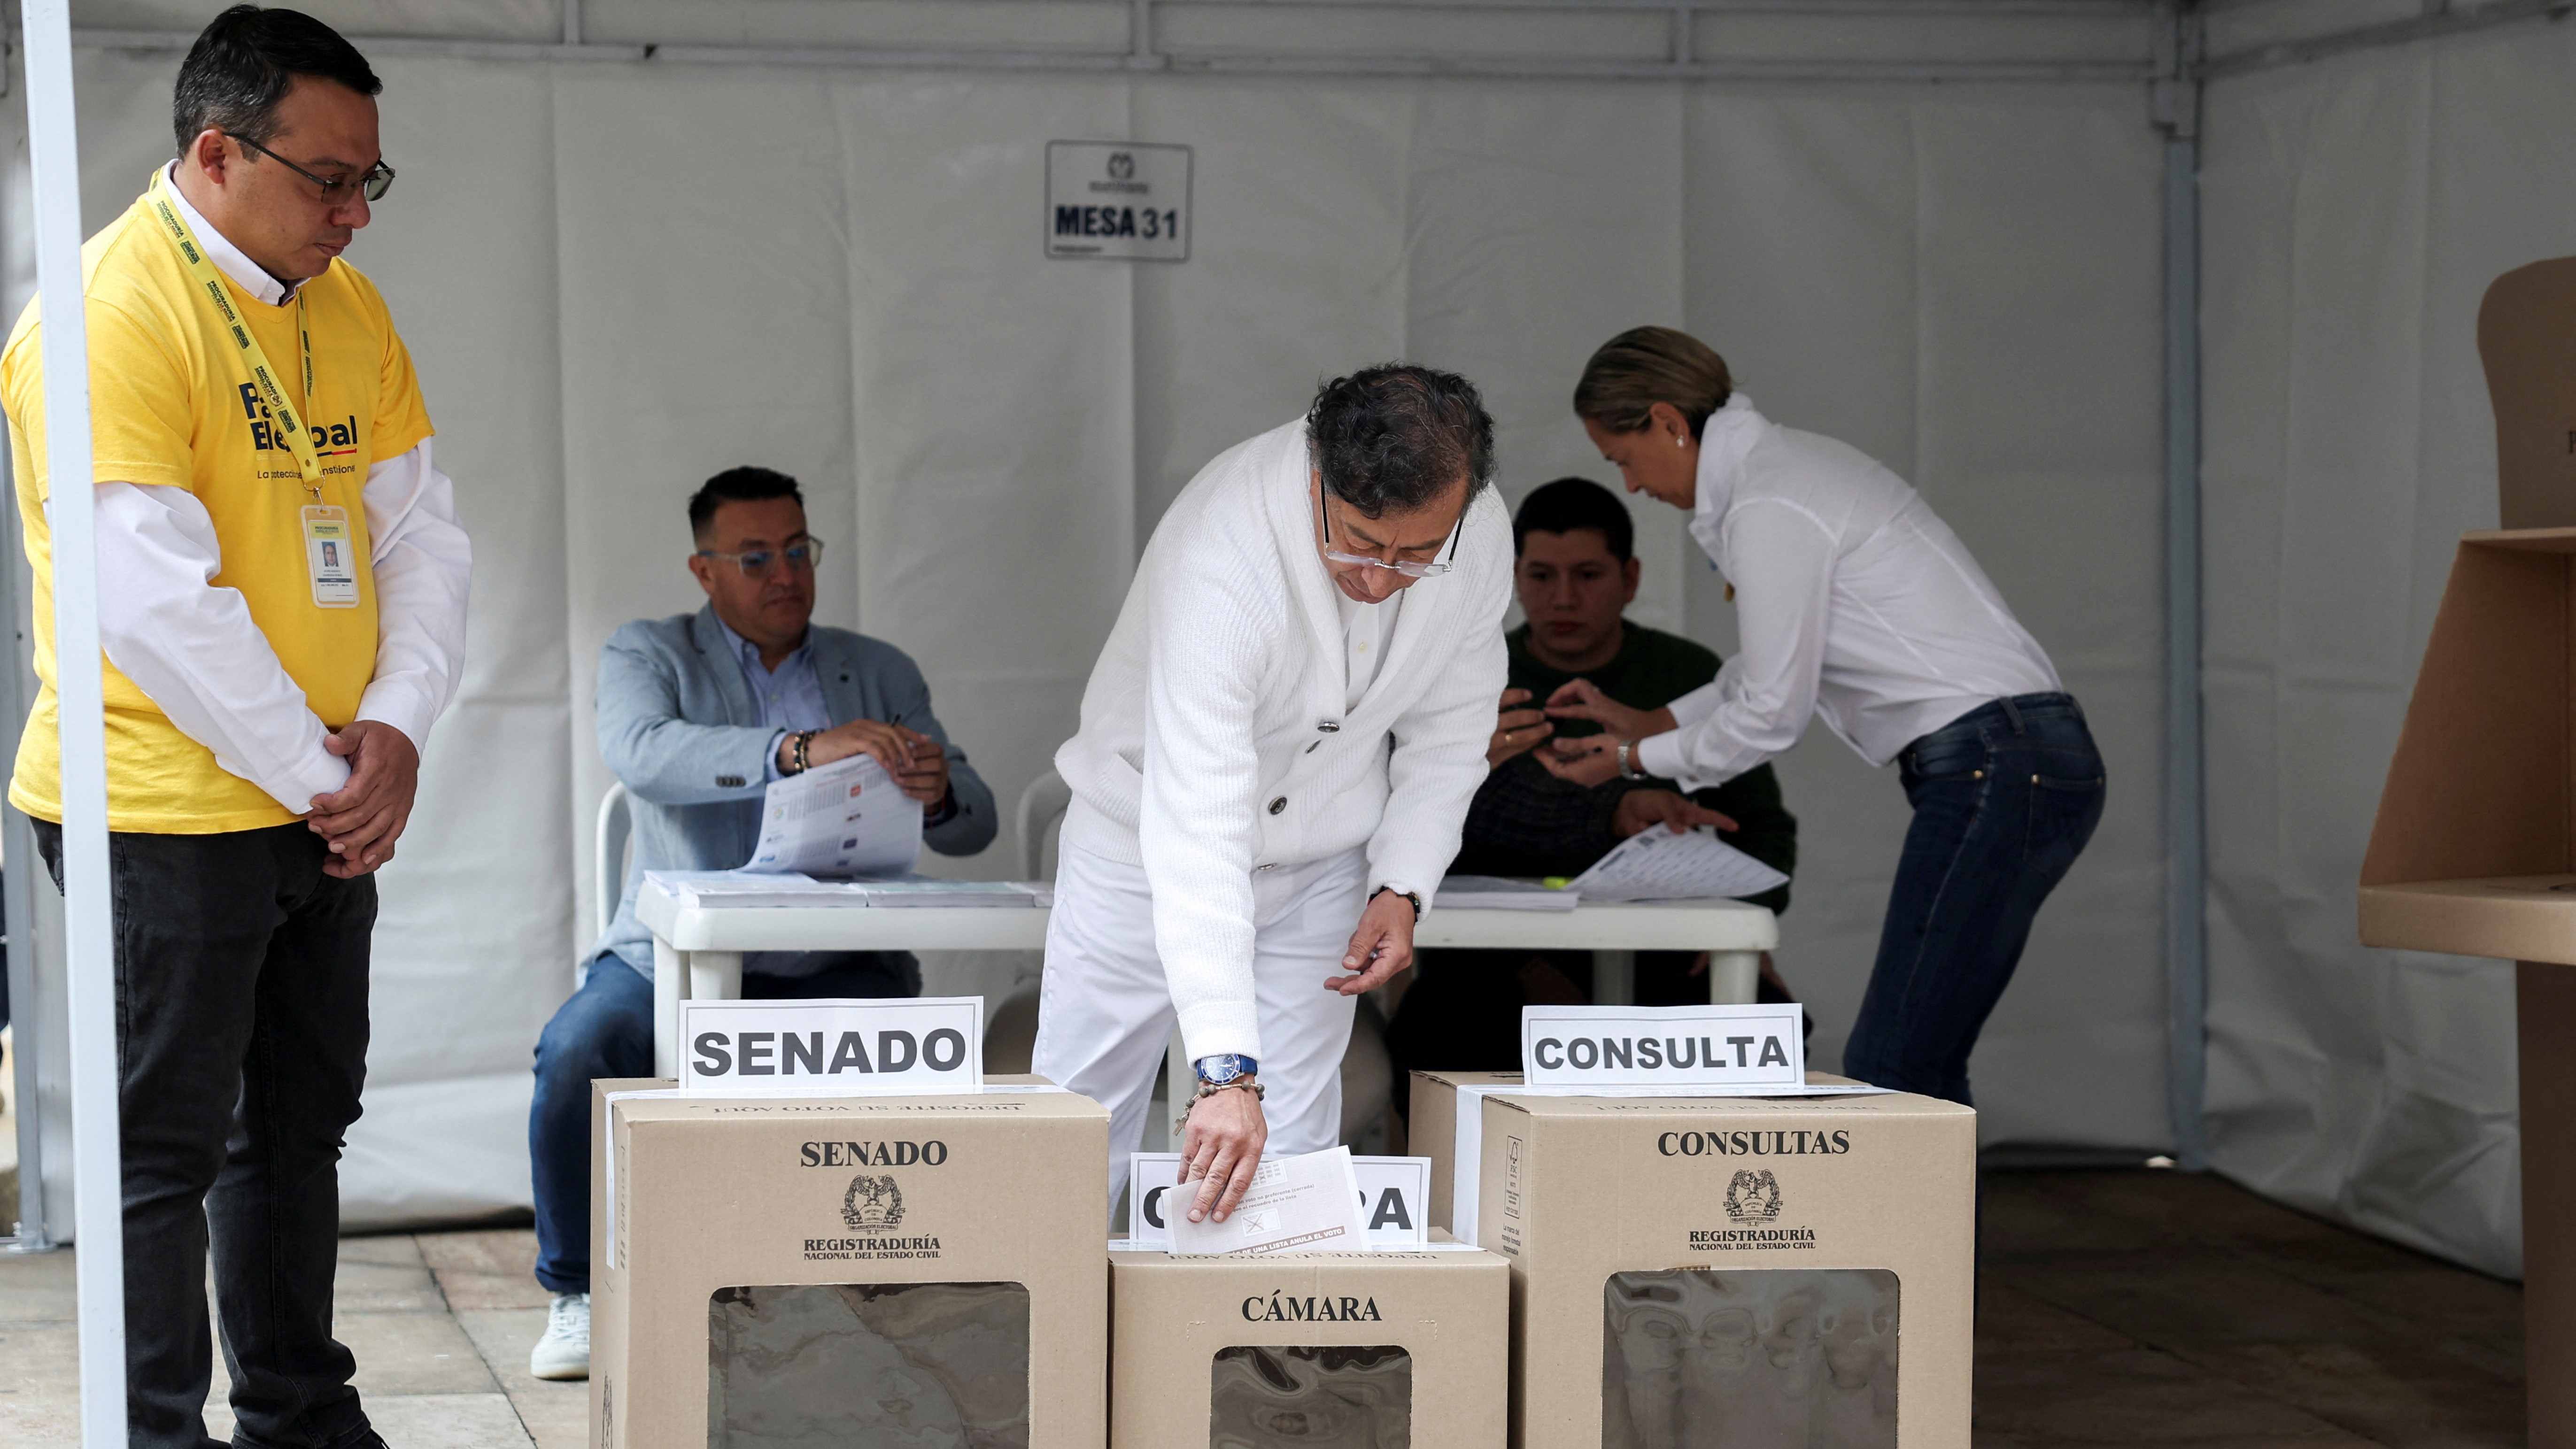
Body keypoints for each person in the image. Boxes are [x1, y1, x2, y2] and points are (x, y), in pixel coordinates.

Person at [2, 10, 473, 1447]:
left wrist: (391, 724)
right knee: (167, 1144)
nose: (352, 215)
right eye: (328, 180)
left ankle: (296, 1408)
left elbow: (422, 537)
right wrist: (327, 772)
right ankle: (155, 1430)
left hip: (324, 789)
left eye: (370, 183)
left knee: (299, 1124)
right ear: (215, 152)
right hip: (158, 800)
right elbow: (149, 599)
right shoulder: (103, 316)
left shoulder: (349, 307)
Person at [1542, 326, 2105, 1105]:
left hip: (1999, 758)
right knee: (1917, 1057)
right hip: (2014, 754)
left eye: (1621, 457)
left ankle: (1911, 1232)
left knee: (1898, 1061)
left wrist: (1631, 763)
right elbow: (1767, 669)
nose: (1631, 484)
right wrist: (1650, 721)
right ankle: (1937, 1233)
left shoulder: (1771, 500)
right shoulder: (1785, 474)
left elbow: (1773, 712)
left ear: (1669, 422)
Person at [524, 465, 996, 1379]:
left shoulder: (877, 666)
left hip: (835, 954)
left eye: (797, 549)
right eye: (755, 557)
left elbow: (977, 822)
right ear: (705, 571)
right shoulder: (647, 652)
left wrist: (937, 795)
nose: (785, 573)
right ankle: (577, 1291)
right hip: (670, 952)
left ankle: (872, 1279)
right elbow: (643, 755)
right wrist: (798, 749)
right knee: (576, 1048)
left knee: (920, 1053)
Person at [1036, 365, 1512, 1226]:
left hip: (1326, 858)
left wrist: (1401, 883)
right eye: (1362, 542)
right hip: (1144, 845)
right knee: (1080, 1122)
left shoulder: (1476, 530)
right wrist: (1222, 1070)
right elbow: (1199, 813)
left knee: (1295, 1148)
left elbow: (1452, 727)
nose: (1380, 577)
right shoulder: (1224, 546)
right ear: (1316, 479)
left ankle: (1269, 1358)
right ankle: (1056, 1345)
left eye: (1416, 555)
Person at [1383, 477, 1797, 1108]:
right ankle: (1465, 1203)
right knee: (1431, 1041)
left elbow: (1765, 835)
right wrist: (1464, 761)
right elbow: (1398, 834)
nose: (1564, 598)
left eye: (1588, 574)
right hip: (1489, 956)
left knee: (1764, 1026)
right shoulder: (1466, 674)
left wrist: (1736, 929)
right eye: (1542, 575)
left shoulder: (1685, 675)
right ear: (1512, 576)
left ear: (1629, 578)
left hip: (1664, 950)